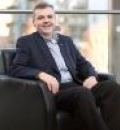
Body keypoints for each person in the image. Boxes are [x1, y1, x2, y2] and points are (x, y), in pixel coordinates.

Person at [8, 2, 120, 130]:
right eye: (41, 17)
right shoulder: (26, 42)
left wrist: (91, 76)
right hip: (55, 92)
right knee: (82, 93)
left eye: (50, 17)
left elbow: (82, 63)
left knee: (112, 87)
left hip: (78, 88)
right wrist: (41, 74)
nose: (46, 20)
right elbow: (15, 68)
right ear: (34, 22)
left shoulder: (66, 41)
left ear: (55, 20)